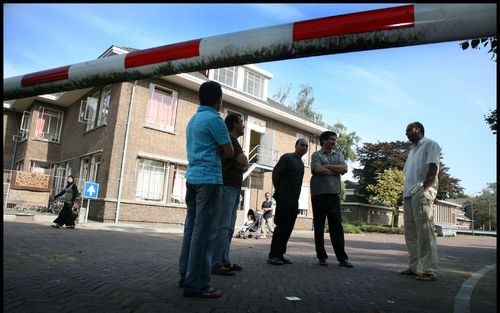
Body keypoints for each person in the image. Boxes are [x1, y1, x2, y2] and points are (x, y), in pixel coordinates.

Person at [178, 81, 234, 299]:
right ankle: (198, 285)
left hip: (191, 178)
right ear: (218, 99)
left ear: (200, 98)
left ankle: (185, 277)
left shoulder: (192, 120)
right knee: (205, 233)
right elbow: (229, 151)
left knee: (191, 230)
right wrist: (218, 150)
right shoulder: (215, 120)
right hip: (209, 180)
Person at [398, 122, 441, 282]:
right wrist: (401, 194)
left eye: (409, 130)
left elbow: (433, 168)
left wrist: (425, 189)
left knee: (425, 233)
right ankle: (415, 267)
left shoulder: (431, 144)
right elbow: (409, 176)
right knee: (410, 233)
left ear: (419, 130)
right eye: (406, 130)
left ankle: (429, 270)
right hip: (409, 194)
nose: (406, 133)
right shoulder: (411, 151)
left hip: (422, 192)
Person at [211, 113, 248, 276]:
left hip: (232, 188)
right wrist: (242, 165)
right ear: (234, 124)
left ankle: (224, 260)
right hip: (227, 187)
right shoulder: (231, 140)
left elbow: (243, 164)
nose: (244, 125)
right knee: (224, 226)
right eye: (241, 122)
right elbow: (244, 162)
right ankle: (216, 263)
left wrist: (242, 166)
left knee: (229, 227)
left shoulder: (233, 141)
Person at [310, 131, 353, 268]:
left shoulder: (338, 155)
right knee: (319, 225)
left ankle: (342, 258)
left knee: (336, 226)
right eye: (331, 139)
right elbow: (317, 170)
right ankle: (321, 257)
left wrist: (327, 167)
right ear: (324, 140)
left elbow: (344, 169)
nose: (334, 142)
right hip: (318, 194)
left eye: (335, 140)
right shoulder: (316, 155)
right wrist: (335, 170)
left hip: (333, 193)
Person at [267, 138, 308, 265]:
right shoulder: (287, 158)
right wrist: (279, 190)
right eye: (302, 145)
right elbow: (276, 173)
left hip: (294, 201)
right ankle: (273, 255)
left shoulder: (301, 164)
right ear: (296, 145)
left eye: (307, 146)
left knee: (288, 228)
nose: (304, 147)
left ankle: (280, 254)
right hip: (284, 199)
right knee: (281, 227)